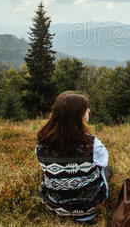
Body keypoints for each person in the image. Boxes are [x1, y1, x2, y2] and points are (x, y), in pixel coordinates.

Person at [35, 91, 112, 223]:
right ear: (77, 115)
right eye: (85, 109)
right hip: (89, 207)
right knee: (107, 170)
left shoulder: (41, 143)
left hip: (55, 205)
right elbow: (103, 162)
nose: (89, 110)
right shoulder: (92, 144)